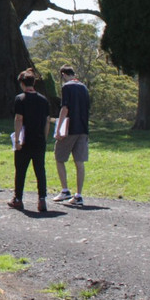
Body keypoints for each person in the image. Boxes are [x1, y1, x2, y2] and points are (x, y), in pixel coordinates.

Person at [10, 69, 52, 213]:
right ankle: (42, 199)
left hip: (25, 140)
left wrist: (16, 139)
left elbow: (19, 119)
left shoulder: (20, 99)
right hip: (39, 139)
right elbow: (47, 121)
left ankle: (18, 198)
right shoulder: (43, 99)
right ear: (33, 83)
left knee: (21, 170)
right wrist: (44, 138)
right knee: (40, 170)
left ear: (22, 83)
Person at [54, 64, 90, 206]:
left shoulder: (67, 87)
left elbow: (65, 108)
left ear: (63, 74)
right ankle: (78, 195)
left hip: (70, 128)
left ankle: (64, 190)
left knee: (59, 157)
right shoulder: (84, 87)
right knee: (79, 162)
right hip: (83, 129)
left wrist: (59, 129)